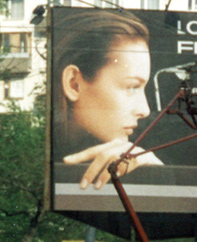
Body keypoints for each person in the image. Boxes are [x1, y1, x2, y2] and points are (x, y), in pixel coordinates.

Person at [54, 10, 161, 191]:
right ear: (74, 84)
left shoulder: (129, 162)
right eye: (132, 87)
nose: (145, 110)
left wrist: (159, 174)